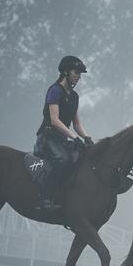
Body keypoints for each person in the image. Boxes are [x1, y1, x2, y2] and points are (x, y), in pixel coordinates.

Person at [34, 55, 93, 209]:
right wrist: (74, 137)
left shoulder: (74, 96)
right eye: (76, 73)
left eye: (80, 74)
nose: (79, 77)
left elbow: (77, 124)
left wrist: (86, 137)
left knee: (80, 158)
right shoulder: (55, 91)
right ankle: (45, 197)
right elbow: (54, 120)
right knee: (63, 160)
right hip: (47, 136)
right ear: (66, 72)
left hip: (61, 139)